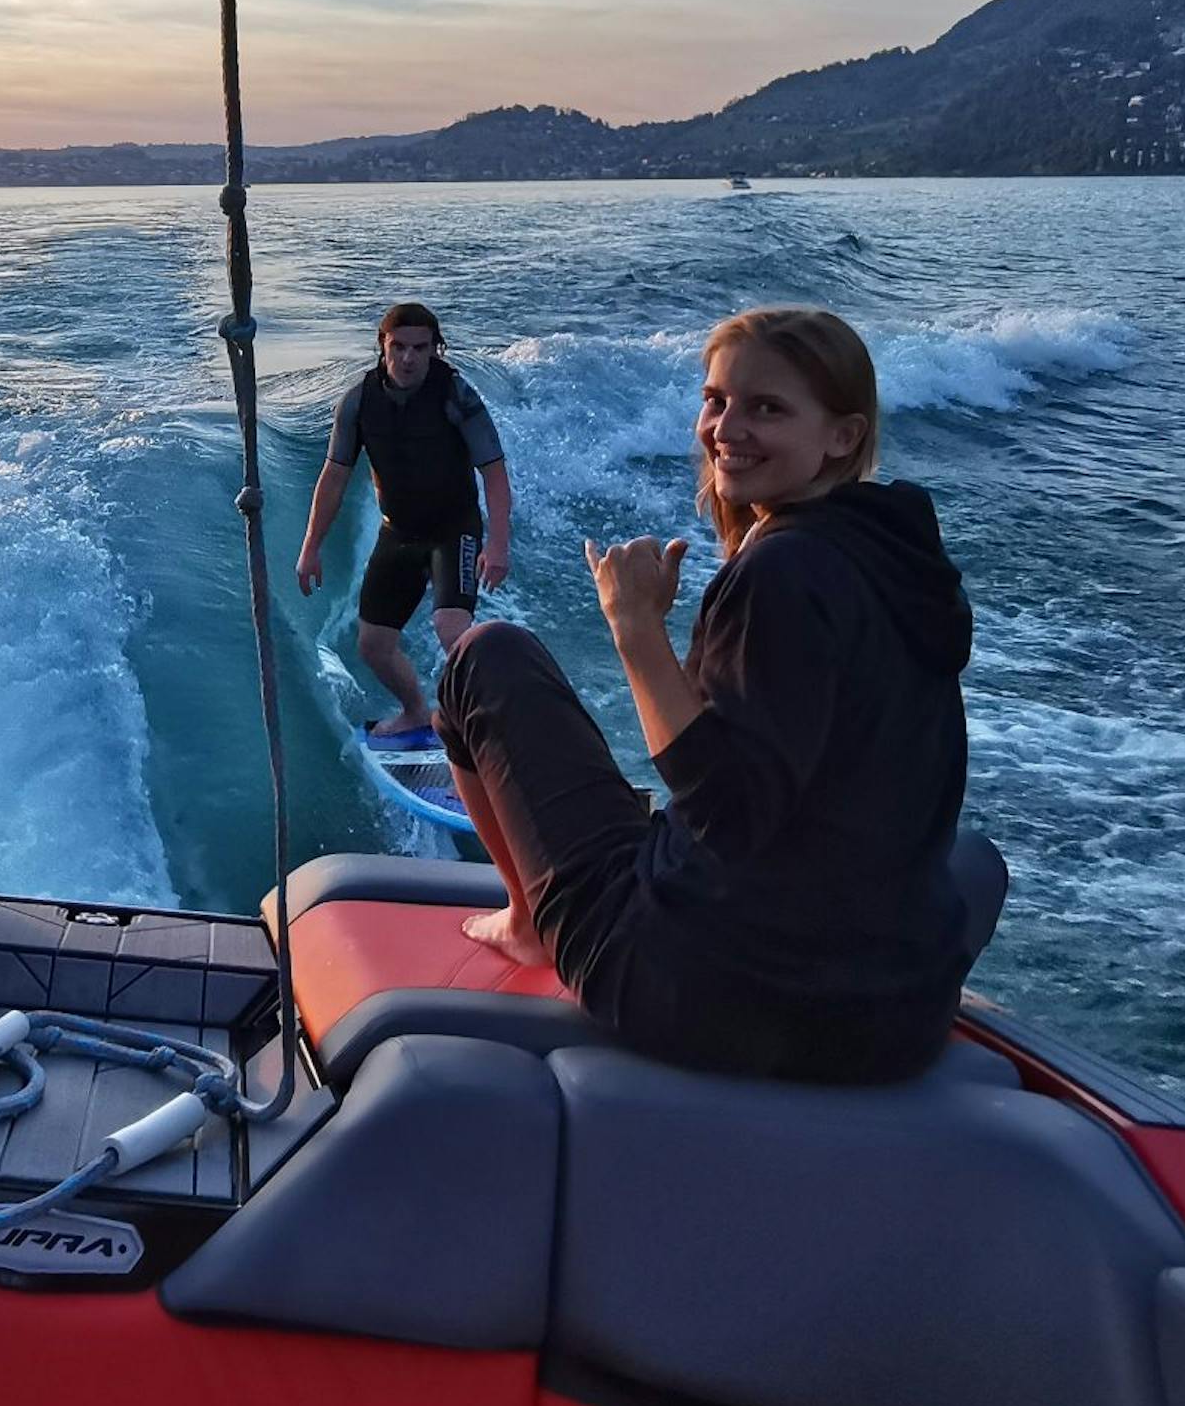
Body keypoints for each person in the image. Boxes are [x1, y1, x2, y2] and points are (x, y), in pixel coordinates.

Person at [437, 305, 977, 1085]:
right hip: (896, 1017)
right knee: (971, 862)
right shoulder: (898, 559)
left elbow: (728, 811)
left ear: (843, 435)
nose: (725, 427)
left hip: (713, 998)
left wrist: (634, 627)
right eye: (716, 399)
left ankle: (530, 923)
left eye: (768, 408)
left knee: (485, 657)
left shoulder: (784, 574)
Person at [294, 301, 514, 746]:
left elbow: (493, 471)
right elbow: (334, 475)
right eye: (399, 347)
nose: (409, 358)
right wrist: (311, 545)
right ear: (382, 346)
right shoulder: (357, 401)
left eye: (420, 347)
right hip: (398, 532)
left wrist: (499, 544)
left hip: (454, 529)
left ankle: (494, 732)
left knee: (453, 631)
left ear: (436, 349)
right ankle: (417, 713)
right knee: (373, 645)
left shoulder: (457, 395)